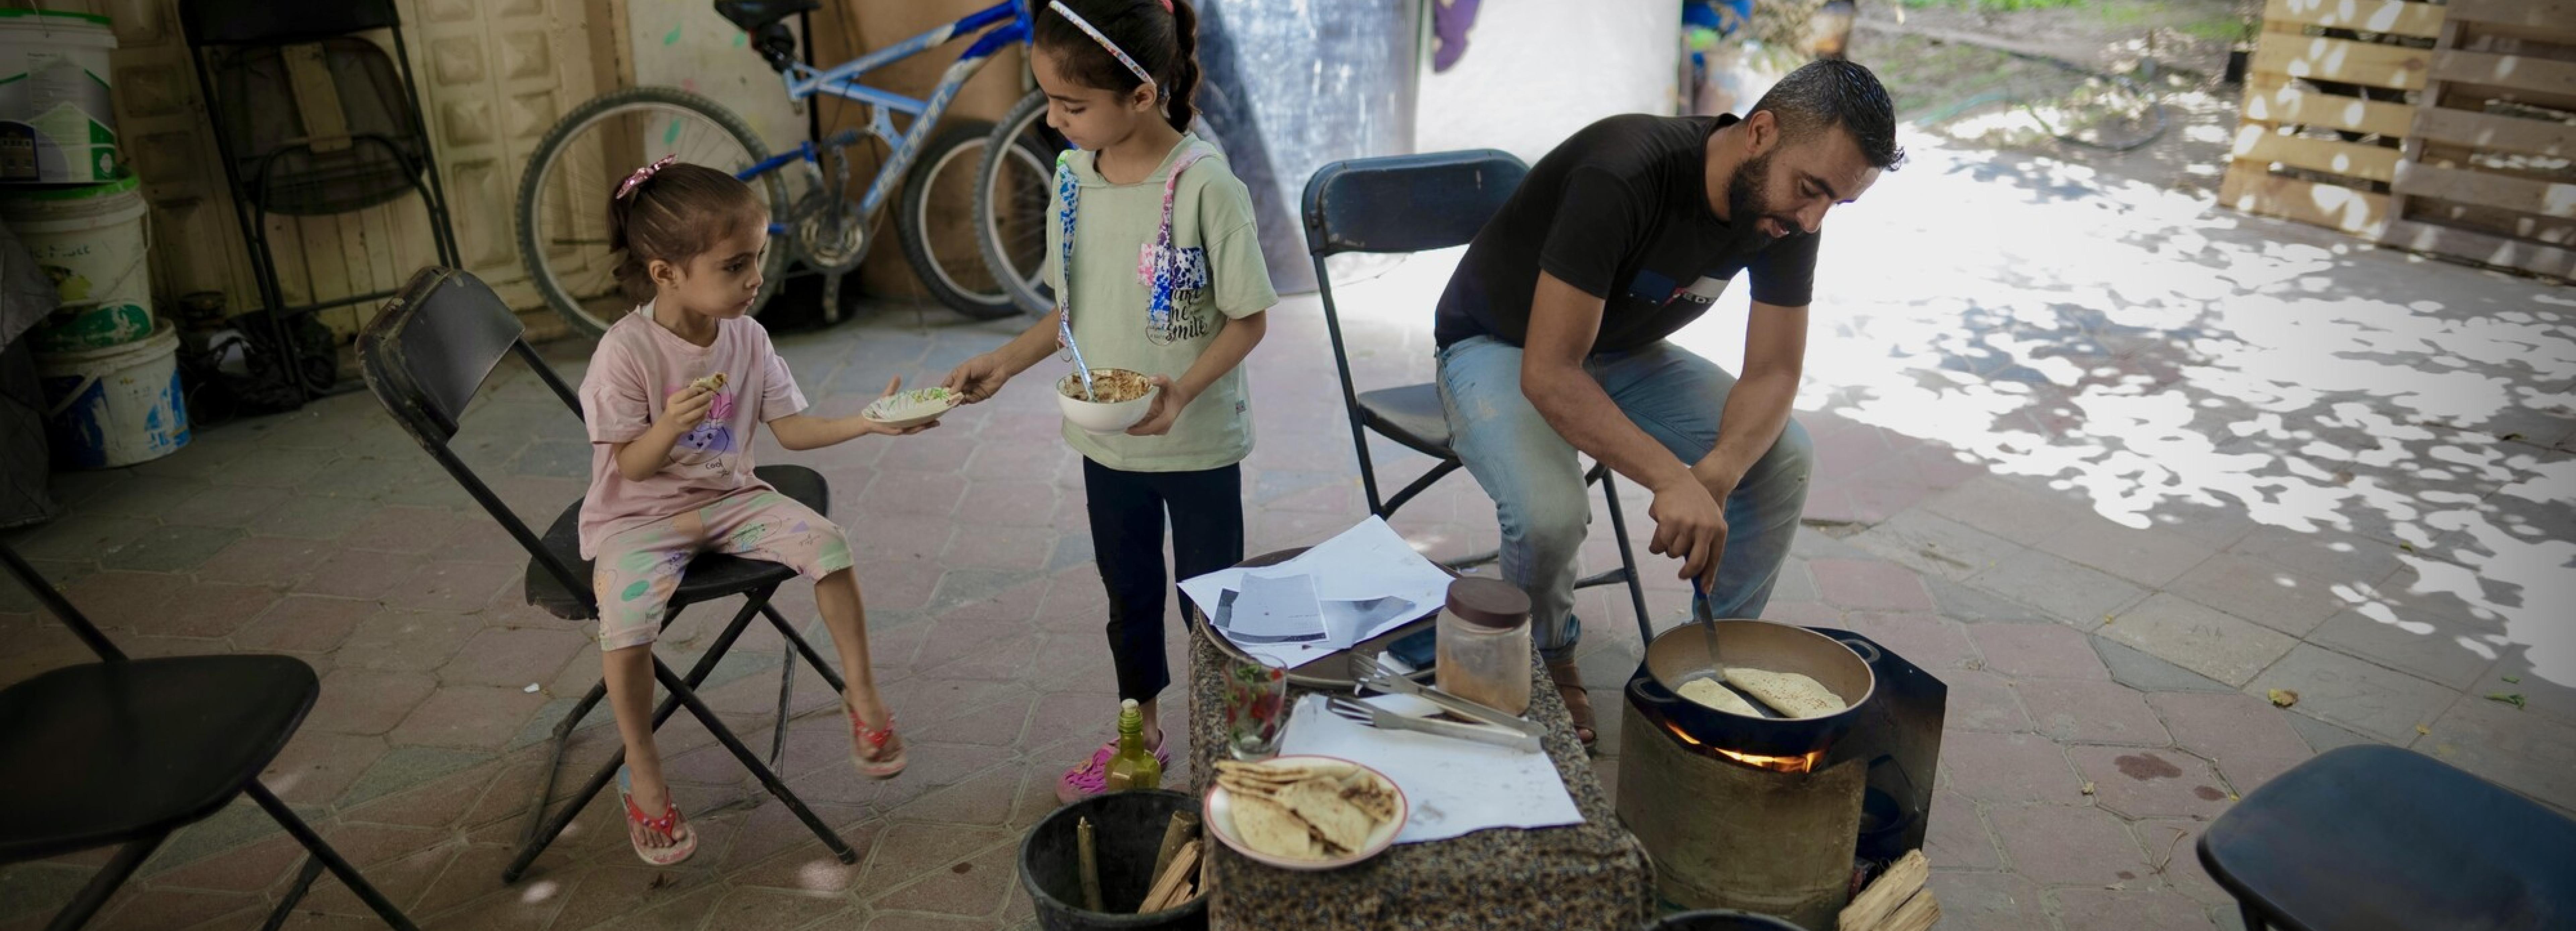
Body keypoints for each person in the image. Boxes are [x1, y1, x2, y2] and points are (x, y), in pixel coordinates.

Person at [1431, 59, 1903, 747]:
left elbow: (1773, 370)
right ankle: (1548, 650)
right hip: (1500, 345)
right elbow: (1552, 374)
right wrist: (1670, 476)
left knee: (1780, 456)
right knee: (1549, 513)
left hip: (1618, 349)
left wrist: (1715, 472)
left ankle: (1712, 663)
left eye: (1835, 202)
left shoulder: (1788, 213)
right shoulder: (1623, 173)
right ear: (1760, 132)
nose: (1811, 218)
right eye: (1810, 190)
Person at [941, 0, 1274, 802]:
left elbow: (1249, 318)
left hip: (1194, 442)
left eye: (1071, 105)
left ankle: (1231, 750)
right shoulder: (1071, 180)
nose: (1052, 121)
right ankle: (1142, 734)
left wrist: (1183, 390)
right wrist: (1005, 361)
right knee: (1128, 597)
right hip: (1108, 443)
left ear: (1140, 95)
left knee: (1214, 604)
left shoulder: (1205, 188)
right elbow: (1071, 312)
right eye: (1048, 99)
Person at [579, 159, 928, 865]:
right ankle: (641, 766)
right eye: (734, 265)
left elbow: (792, 431)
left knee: (829, 546)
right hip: (638, 518)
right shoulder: (626, 352)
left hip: (728, 499)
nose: (753, 280)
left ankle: (861, 697)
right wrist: (668, 425)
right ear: (664, 273)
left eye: (758, 259)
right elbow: (630, 466)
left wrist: (868, 421)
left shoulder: (746, 338)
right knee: (624, 622)